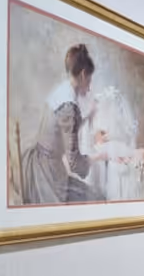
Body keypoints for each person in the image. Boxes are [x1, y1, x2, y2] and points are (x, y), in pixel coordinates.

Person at [21, 44, 108, 204]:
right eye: (89, 80)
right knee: (98, 199)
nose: (89, 87)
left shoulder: (62, 90)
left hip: (38, 163)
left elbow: (65, 127)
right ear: (83, 75)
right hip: (47, 177)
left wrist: (88, 115)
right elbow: (74, 163)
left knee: (92, 195)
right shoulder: (69, 107)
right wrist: (99, 156)